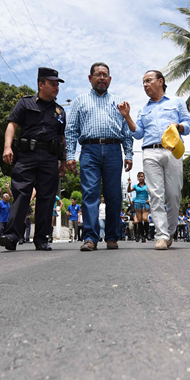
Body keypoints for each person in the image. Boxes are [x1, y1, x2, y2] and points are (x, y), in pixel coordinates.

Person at [119, 69, 190, 250]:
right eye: (143, 82)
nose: (145, 85)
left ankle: (170, 232)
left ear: (160, 81)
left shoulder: (177, 102)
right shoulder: (144, 110)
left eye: (148, 81)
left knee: (174, 194)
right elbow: (138, 134)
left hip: (172, 150)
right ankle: (161, 235)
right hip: (150, 152)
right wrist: (127, 117)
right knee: (156, 195)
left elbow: (188, 125)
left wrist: (178, 126)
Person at [65, 62, 133, 251]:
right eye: (98, 74)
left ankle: (112, 237)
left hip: (113, 150)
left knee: (114, 195)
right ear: (90, 78)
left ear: (110, 79)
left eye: (105, 75)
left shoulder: (119, 102)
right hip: (89, 151)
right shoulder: (80, 101)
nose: (102, 78)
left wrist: (128, 154)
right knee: (90, 194)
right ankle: (90, 238)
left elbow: (126, 130)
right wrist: (70, 154)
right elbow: (71, 130)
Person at [0, 67, 66, 251]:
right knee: (21, 193)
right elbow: (12, 125)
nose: (56, 88)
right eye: (52, 84)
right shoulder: (25, 103)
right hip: (26, 155)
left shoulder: (60, 111)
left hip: (50, 157)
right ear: (40, 84)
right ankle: (11, 236)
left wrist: (63, 162)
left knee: (46, 197)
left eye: (57, 84)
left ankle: (41, 238)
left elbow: (62, 139)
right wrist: (7, 147)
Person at [127, 172, 150, 243]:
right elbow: (128, 190)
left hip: (145, 202)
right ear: (137, 178)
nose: (140, 178)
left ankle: (147, 233)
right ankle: (142, 236)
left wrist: (150, 200)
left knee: (145, 218)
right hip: (137, 203)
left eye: (142, 176)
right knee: (139, 221)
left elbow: (153, 192)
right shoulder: (135, 186)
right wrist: (129, 183)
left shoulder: (148, 185)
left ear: (144, 177)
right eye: (139, 177)